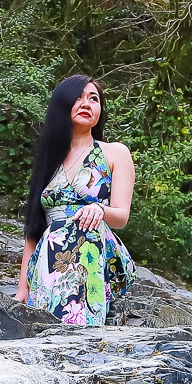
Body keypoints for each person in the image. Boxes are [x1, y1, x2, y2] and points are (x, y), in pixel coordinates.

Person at [17, 75, 136, 326]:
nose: (87, 103)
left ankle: (84, 320)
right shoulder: (49, 160)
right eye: (79, 97)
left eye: (94, 99)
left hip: (94, 244)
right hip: (50, 252)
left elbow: (121, 216)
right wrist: (22, 289)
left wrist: (99, 209)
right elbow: (34, 229)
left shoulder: (115, 153)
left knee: (85, 226)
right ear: (63, 104)